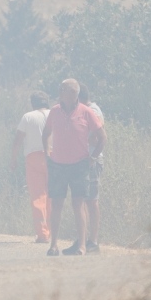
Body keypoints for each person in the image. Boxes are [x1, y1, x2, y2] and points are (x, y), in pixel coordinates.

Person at [42, 78, 105, 257]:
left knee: (78, 204)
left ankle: (82, 246)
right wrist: (47, 153)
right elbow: (46, 133)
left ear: (73, 94)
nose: (60, 92)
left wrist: (92, 157)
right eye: (60, 89)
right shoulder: (54, 111)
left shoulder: (86, 112)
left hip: (79, 165)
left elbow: (102, 137)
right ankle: (53, 245)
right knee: (56, 204)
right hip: (58, 165)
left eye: (64, 90)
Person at [10, 91, 52, 243]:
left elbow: (18, 140)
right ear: (47, 102)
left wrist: (13, 159)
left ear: (33, 103)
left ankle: (42, 234)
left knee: (38, 196)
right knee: (52, 195)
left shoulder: (28, 117)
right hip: (54, 157)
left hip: (33, 158)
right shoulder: (54, 115)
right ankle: (52, 230)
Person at [78, 86, 104, 254]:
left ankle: (93, 240)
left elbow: (97, 135)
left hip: (92, 160)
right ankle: (85, 239)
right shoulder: (88, 110)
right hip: (84, 160)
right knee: (82, 200)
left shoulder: (92, 110)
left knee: (91, 201)